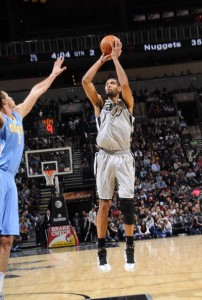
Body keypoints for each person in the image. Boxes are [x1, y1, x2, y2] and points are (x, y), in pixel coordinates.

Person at [0, 57, 66, 300]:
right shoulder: (3, 119)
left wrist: (53, 74)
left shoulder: (17, 115)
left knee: (7, 239)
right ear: (4, 101)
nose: (15, 99)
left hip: (9, 180)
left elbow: (35, 91)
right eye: (9, 97)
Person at [82, 38, 135, 272]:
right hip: (104, 157)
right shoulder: (99, 105)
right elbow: (85, 80)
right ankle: (101, 252)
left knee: (127, 205)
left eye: (112, 83)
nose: (109, 85)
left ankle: (130, 250)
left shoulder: (127, 104)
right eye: (108, 83)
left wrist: (115, 59)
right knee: (103, 205)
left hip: (124, 156)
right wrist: (101, 59)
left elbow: (124, 83)